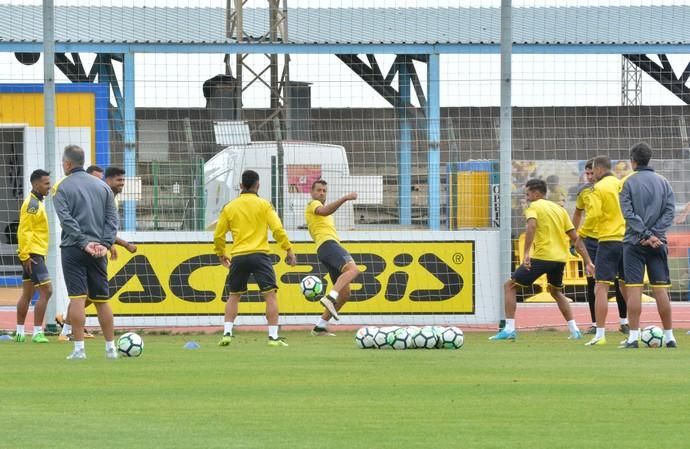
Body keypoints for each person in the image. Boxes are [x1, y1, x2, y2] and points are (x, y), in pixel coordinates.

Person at [489, 179, 594, 341]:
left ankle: (509, 329)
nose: (526, 197)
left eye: (528, 194)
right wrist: (587, 261)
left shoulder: (534, 207)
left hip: (542, 256)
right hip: (559, 259)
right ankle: (575, 330)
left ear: (537, 193)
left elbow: (531, 226)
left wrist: (525, 254)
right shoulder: (560, 210)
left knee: (509, 286)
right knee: (556, 292)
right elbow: (575, 238)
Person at [214, 170, 296, 347]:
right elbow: (277, 229)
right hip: (260, 256)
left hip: (239, 256)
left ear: (241, 186)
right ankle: (273, 337)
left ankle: (227, 333)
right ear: (258, 185)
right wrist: (288, 249)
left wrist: (221, 253)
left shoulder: (230, 207)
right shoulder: (264, 205)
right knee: (270, 296)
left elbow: (219, 235)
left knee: (234, 295)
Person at [53, 145, 119, 360]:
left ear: (68, 163)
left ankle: (79, 349)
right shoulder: (103, 187)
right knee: (102, 300)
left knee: (78, 299)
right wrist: (106, 244)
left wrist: (83, 242)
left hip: (74, 249)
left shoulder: (61, 188)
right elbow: (112, 219)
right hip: (99, 249)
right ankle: (111, 349)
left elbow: (66, 220)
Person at [58, 166, 137, 341]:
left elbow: (105, 227)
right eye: (119, 180)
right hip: (87, 248)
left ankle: (69, 325)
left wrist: (110, 244)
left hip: (97, 247)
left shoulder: (107, 197)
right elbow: (97, 224)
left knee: (86, 295)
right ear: (108, 181)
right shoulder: (102, 194)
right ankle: (67, 325)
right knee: (84, 294)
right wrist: (123, 244)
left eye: (123, 180)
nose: (122, 184)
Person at [619, 142, 677, 348]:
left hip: (634, 243)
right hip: (658, 243)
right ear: (649, 159)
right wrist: (656, 235)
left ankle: (633, 338)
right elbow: (670, 211)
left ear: (632, 161)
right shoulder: (664, 182)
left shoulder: (627, 183)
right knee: (661, 290)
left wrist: (645, 233)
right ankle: (670, 337)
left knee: (634, 289)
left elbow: (628, 214)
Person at [572, 159, 628, 335]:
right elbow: (578, 213)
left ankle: (624, 321)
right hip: (591, 241)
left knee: (619, 281)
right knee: (593, 282)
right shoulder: (584, 192)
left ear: (597, 171)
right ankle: (596, 323)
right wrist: (574, 237)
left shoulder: (610, 187)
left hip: (608, 238)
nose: (589, 176)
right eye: (586, 173)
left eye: (591, 172)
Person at [305, 180, 361, 334]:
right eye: (318, 190)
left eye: (324, 190)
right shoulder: (313, 204)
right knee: (354, 270)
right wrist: (344, 198)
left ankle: (320, 326)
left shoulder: (323, 209)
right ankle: (330, 297)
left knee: (345, 293)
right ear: (312, 192)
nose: (321, 193)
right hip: (328, 245)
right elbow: (324, 211)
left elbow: (326, 212)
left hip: (327, 248)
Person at [14, 169, 53, 343]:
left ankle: (20, 332)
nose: (49, 186)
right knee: (47, 291)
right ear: (36, 184)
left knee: (27, 294)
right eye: (46, 183)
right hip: (33, 254)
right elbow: (24, 231)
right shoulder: (32, 204)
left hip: (31, 253)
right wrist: (25, 255)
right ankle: (38, 332)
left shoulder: (36, 201)